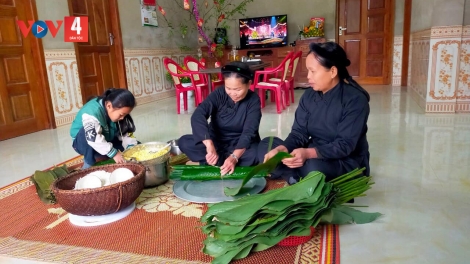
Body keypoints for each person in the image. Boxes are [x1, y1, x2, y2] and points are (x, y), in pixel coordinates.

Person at [258, 42, 371, 184]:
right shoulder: (309, 96)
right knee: (266, 145)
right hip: (313, 152)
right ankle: (296, 177)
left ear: (333, 72)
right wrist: (282, 149)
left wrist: (308, 154)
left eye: (313, 71)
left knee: (314, 167)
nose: (308, 77)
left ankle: (292, 176)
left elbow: (344, 145)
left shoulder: (355, 100)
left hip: (344, 160)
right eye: (307, 71)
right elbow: (299, 134)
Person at [178, 61, 262, 176]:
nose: (232, 93)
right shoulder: (218, 94)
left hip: (240, 145)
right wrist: (209, 145)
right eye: (228, 88)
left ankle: (220, 161)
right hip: (216, 142)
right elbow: (198, 115)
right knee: (184, 142)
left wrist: (234, 157)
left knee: (258, 152)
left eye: (237, 89)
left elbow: (249, 132)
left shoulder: (253, 100)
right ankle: (219, 159)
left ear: (249, 84)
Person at [70, 88, 138, 169]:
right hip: (83, 144)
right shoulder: (91, 112)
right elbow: (93, 139)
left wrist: (130, 149)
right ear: (109, 106)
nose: (123, 118)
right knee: (88, 133)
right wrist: (114, 154)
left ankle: (101, 153)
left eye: (125, 115)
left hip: (105, 137)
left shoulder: (117, 113)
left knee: (135, 146)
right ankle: (88, 163)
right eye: (121, 115)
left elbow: (125, 134)